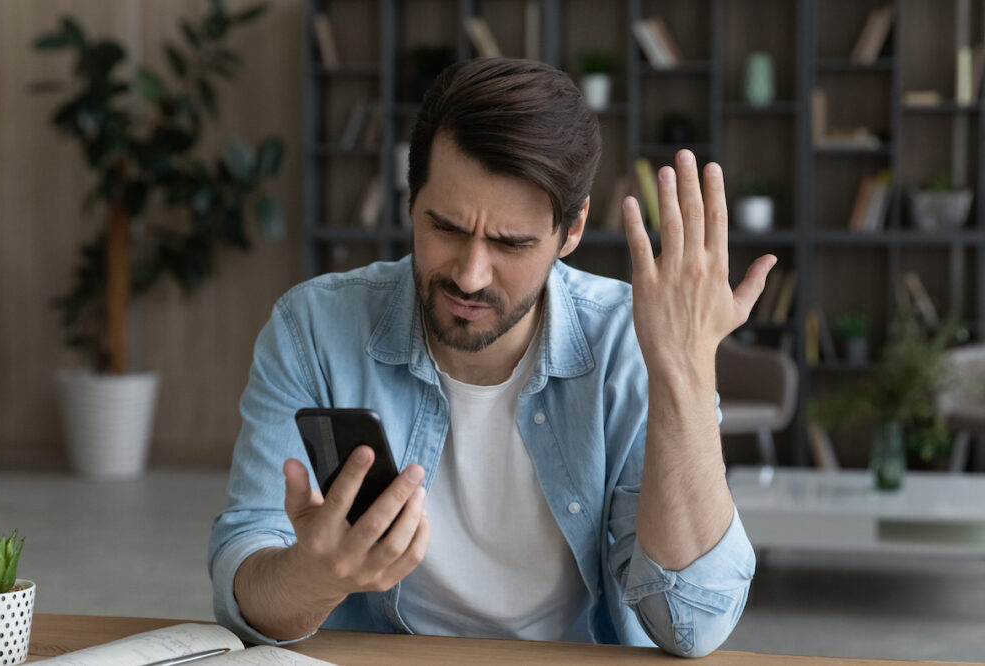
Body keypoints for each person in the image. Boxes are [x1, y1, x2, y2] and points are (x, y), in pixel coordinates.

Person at [208, 57, 774, 658]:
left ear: (573, 229)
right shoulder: (312, 330)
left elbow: (692, 626)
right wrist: (316, 576)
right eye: (446, 227)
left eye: (511, 243)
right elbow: (245, 589)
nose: (471, 276)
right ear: (410, 200)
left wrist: (684, 373)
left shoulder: (632, 343)